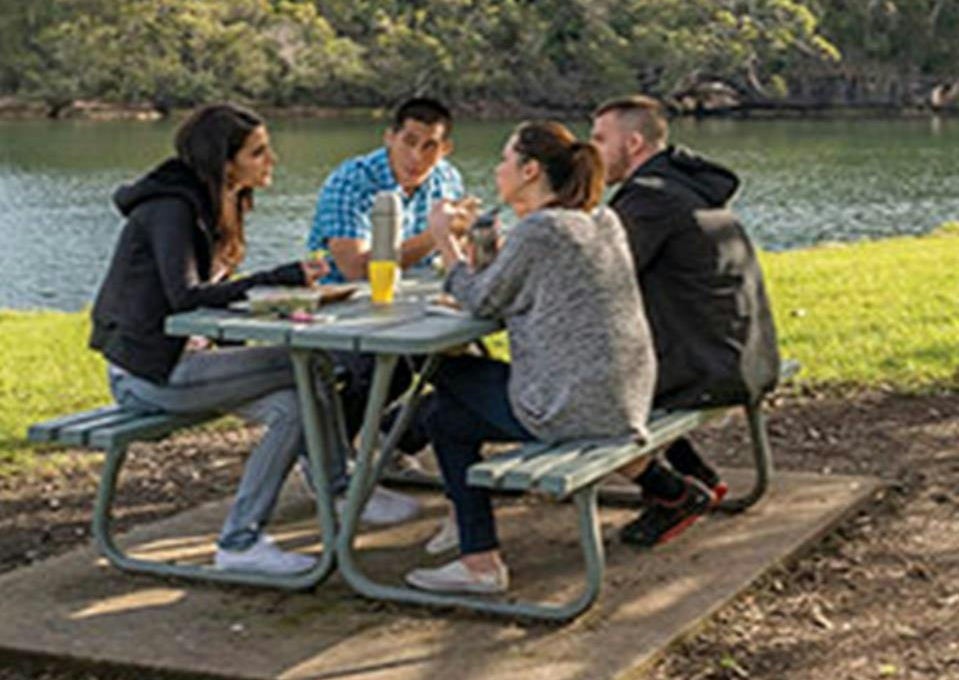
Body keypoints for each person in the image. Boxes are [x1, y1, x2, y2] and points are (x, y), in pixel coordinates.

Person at [404, 120, 659, 595]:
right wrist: (480, 254)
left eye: (504, 159)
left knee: (443, 373)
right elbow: (505, 288)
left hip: (569, 407)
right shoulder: (599, 220)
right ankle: (472, 546)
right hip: (624, 396)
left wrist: (444, 240)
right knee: (447, 417)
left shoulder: (542, 228)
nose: (498, 168)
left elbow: (481, 301)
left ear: (529, 170)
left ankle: (475, 554)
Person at [88, 103, 332, 576]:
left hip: (187, 364)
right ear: (225, 162)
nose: (271, 160)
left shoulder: (221, 202)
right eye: (258, 152)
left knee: (293, 404)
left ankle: (240, 542)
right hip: (151, 374)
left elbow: (213, 300)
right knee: (314, 362)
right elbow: (186, 297)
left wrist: (277, 300)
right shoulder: (171, 207)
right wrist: (281, 278)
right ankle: (341, 489)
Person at [589, 95, 781, 547]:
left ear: (633, 143)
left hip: (709, 367)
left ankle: (671, 493)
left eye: (599, 139)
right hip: (742, 355)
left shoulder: (650, 200)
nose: (589, 150)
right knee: (614, 364)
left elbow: (594, 280)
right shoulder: (679, 186)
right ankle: (699, 476)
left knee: (585, 388)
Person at [307, 96, 469, 465]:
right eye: (409, 142)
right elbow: (356, 269)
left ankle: (394, 437)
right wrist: (435, 235)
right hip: (343, 311)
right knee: (387, 367)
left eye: (430, 146)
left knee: (465, 365)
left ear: (445, 149)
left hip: (415, 305)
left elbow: (452, 253)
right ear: (389, 138)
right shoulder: (352, 181)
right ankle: (329, 459)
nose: (418, 157)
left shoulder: (447, 179)